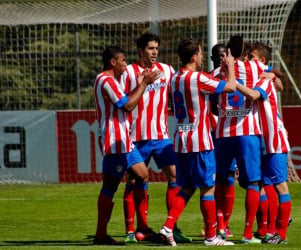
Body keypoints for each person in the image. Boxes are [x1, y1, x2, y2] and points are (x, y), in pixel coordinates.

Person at [158, 38, 236, 247]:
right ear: (193, 57)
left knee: (188, 187)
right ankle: (211, 236)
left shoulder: (173, 78)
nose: (202, 57)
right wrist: (230, 67)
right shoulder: (198, 78)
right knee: (208, 189)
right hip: (200, 142)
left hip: (181, 140)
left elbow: (172, 107)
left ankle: (167, 227)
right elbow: (230, 87)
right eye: (201, 54)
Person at [120, 32, 191, 243]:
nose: (155, 52)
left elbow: (179, 90)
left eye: (157, 48)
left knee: (175, 177)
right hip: (136, 137)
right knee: (133, 181)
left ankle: (172, 226)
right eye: (151, 48)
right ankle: (133, 229)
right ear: (141, 50)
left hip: (161, 136)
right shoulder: (130, 72)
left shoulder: (167, 70)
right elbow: (123, 100)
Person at [93, 45, 161, 245]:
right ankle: (100, 235)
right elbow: (128, 105)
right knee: (110, 186)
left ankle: (142, 228)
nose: (125, 64)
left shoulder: (110, 81)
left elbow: (126, 100)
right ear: (113, 62)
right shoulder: (106, 81)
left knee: (143, 174)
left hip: (125, 141)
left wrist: (139, 84)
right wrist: (144, 84)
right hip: (115, 141)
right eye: (122, 60)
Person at [212, 35, 277, 244]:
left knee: (222, 180)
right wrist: (274, 77)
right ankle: (249, 234)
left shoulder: (217, 71)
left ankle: (221, 227)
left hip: (223, 133)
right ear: (243, 52)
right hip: (247, 132)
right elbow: (273, 75)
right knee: (252, 183)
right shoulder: (255, 68)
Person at [249, 41, 292, 244]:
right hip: (263, 140)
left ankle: (281, 233)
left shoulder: (265, 80)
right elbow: (280, 82)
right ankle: (273, 228)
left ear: (261, 61)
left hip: (274, 139)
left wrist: (233, 85)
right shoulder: (263, 76)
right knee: (266, 184)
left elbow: (257, 93)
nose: (248, 61)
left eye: (252, 57)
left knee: (280, 185)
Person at [209, 43, 236, 239]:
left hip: (232, 132)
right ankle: (216, 223)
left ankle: (225, 223)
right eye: (217, 56)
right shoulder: (209, 77)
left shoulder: (237, 73)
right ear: (212, 58)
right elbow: (211, 107)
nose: (220, 58)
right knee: (217, 178)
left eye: (223, 55)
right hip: (214, 132)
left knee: (229, 178)